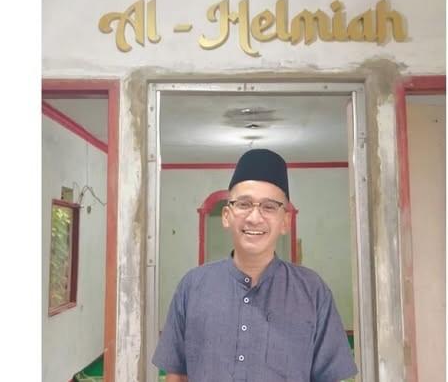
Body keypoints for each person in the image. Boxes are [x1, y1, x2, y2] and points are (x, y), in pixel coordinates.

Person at [153, 148, 358, 382]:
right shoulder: (193, 287)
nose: (254, 218)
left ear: (285, 221)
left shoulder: (312, 291)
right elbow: (177, 375)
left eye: (269, 207)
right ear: (226, 216)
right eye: (244, 204)